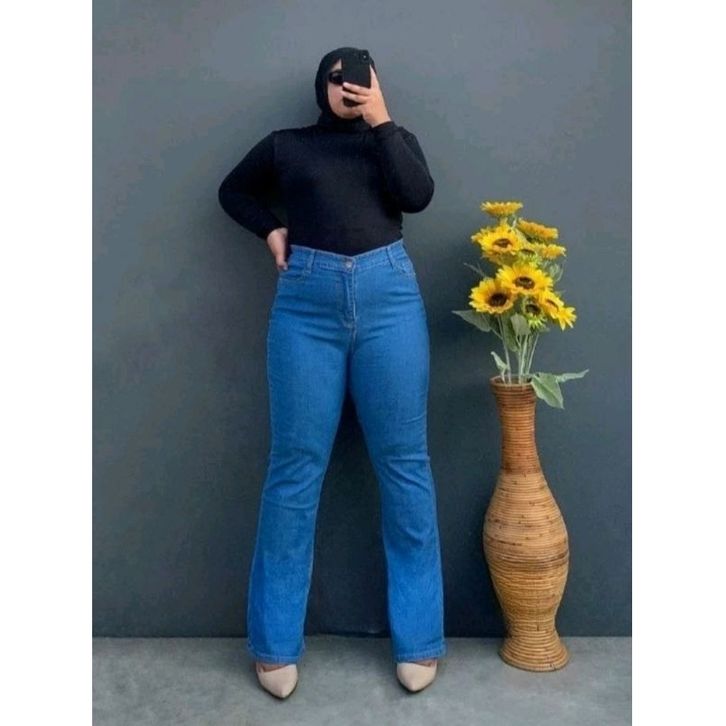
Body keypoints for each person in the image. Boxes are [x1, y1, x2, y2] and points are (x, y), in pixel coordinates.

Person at [218, 46, 447, 699]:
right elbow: (233, 191)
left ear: (376, 84)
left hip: (389, 300)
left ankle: (420, 640)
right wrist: (271, 231)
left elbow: (417, 196)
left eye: (360, 79)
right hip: (306, 306)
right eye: (338, 79)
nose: (349, 88)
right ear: (322, 84)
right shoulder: (287, 145)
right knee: (294, 467)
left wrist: (381, 121)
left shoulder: (393, 141)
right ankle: (274, 645)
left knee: (405, 466)